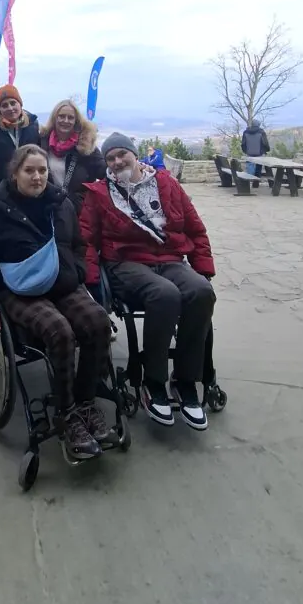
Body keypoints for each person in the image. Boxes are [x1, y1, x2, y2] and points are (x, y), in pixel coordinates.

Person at [0, 145, 115, 460]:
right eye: (29, 170)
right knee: (59, 330)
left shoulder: (60, 203)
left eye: (42, 170)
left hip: (62, 283)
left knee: (98, 323)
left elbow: (79, 243)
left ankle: (85, 402)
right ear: (14, 173)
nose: (38, 177)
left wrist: (78, 271)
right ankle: (67, 413)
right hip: (16, 291)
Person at [80, 133, 216, 432]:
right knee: (164, 294)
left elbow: (195, 227)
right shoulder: (99, 193)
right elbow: (86, 239)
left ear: (135, 154)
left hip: (169, 258)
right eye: (110, 158)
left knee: (201, 292)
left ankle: (185, 380)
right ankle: (154, 381)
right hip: (126, 263)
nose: (117, 162)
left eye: (122, 155)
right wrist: (92, 281)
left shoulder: (167, 184)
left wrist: (202, 268)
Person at [39, 100, 105, 213]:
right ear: (54, 118)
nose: (66, 121)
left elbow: (104, 172)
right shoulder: (42, 141)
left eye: (70, 118)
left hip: (77, 210)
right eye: (61, 116)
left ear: (76, 121)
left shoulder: (86, 145)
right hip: (46, 206)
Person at [0, 84, 40, 194]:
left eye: (13, 103)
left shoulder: (33, 126)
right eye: (4, 105)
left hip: (30, 185)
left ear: (20, 104)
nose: (10, 108)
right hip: (2, 189)